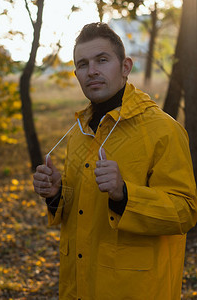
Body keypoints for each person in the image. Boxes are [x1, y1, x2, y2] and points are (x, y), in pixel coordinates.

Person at [33, 22, 197, 300]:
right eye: (83, 64)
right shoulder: (79, 131)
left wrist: (124, 194)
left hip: (136, 290)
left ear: (125, 67)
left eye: (102, 60)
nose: (92, 70)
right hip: (79, 287)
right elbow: (83, 214)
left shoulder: (163, 130)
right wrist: (56, 194)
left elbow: (186, 211)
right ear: (76, 74)